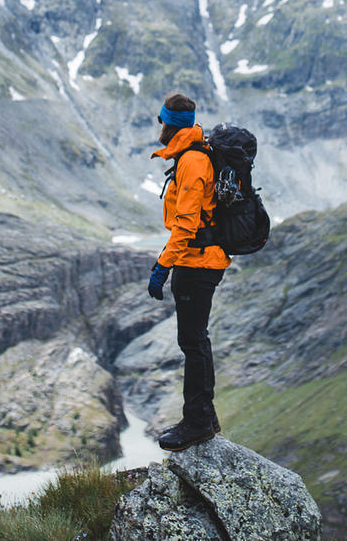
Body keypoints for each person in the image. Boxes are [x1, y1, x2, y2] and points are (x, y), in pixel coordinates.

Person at [147, 91, 231, 451]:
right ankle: (204, 417)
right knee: (197, 340)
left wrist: (162, 266)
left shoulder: (192, 161)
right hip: (196, 260)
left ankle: (197, 424)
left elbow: (186, 224)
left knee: (192, 342)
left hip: (196, 263)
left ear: (170, 123)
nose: (159, 125)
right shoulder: (188, 154)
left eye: (161, 119)